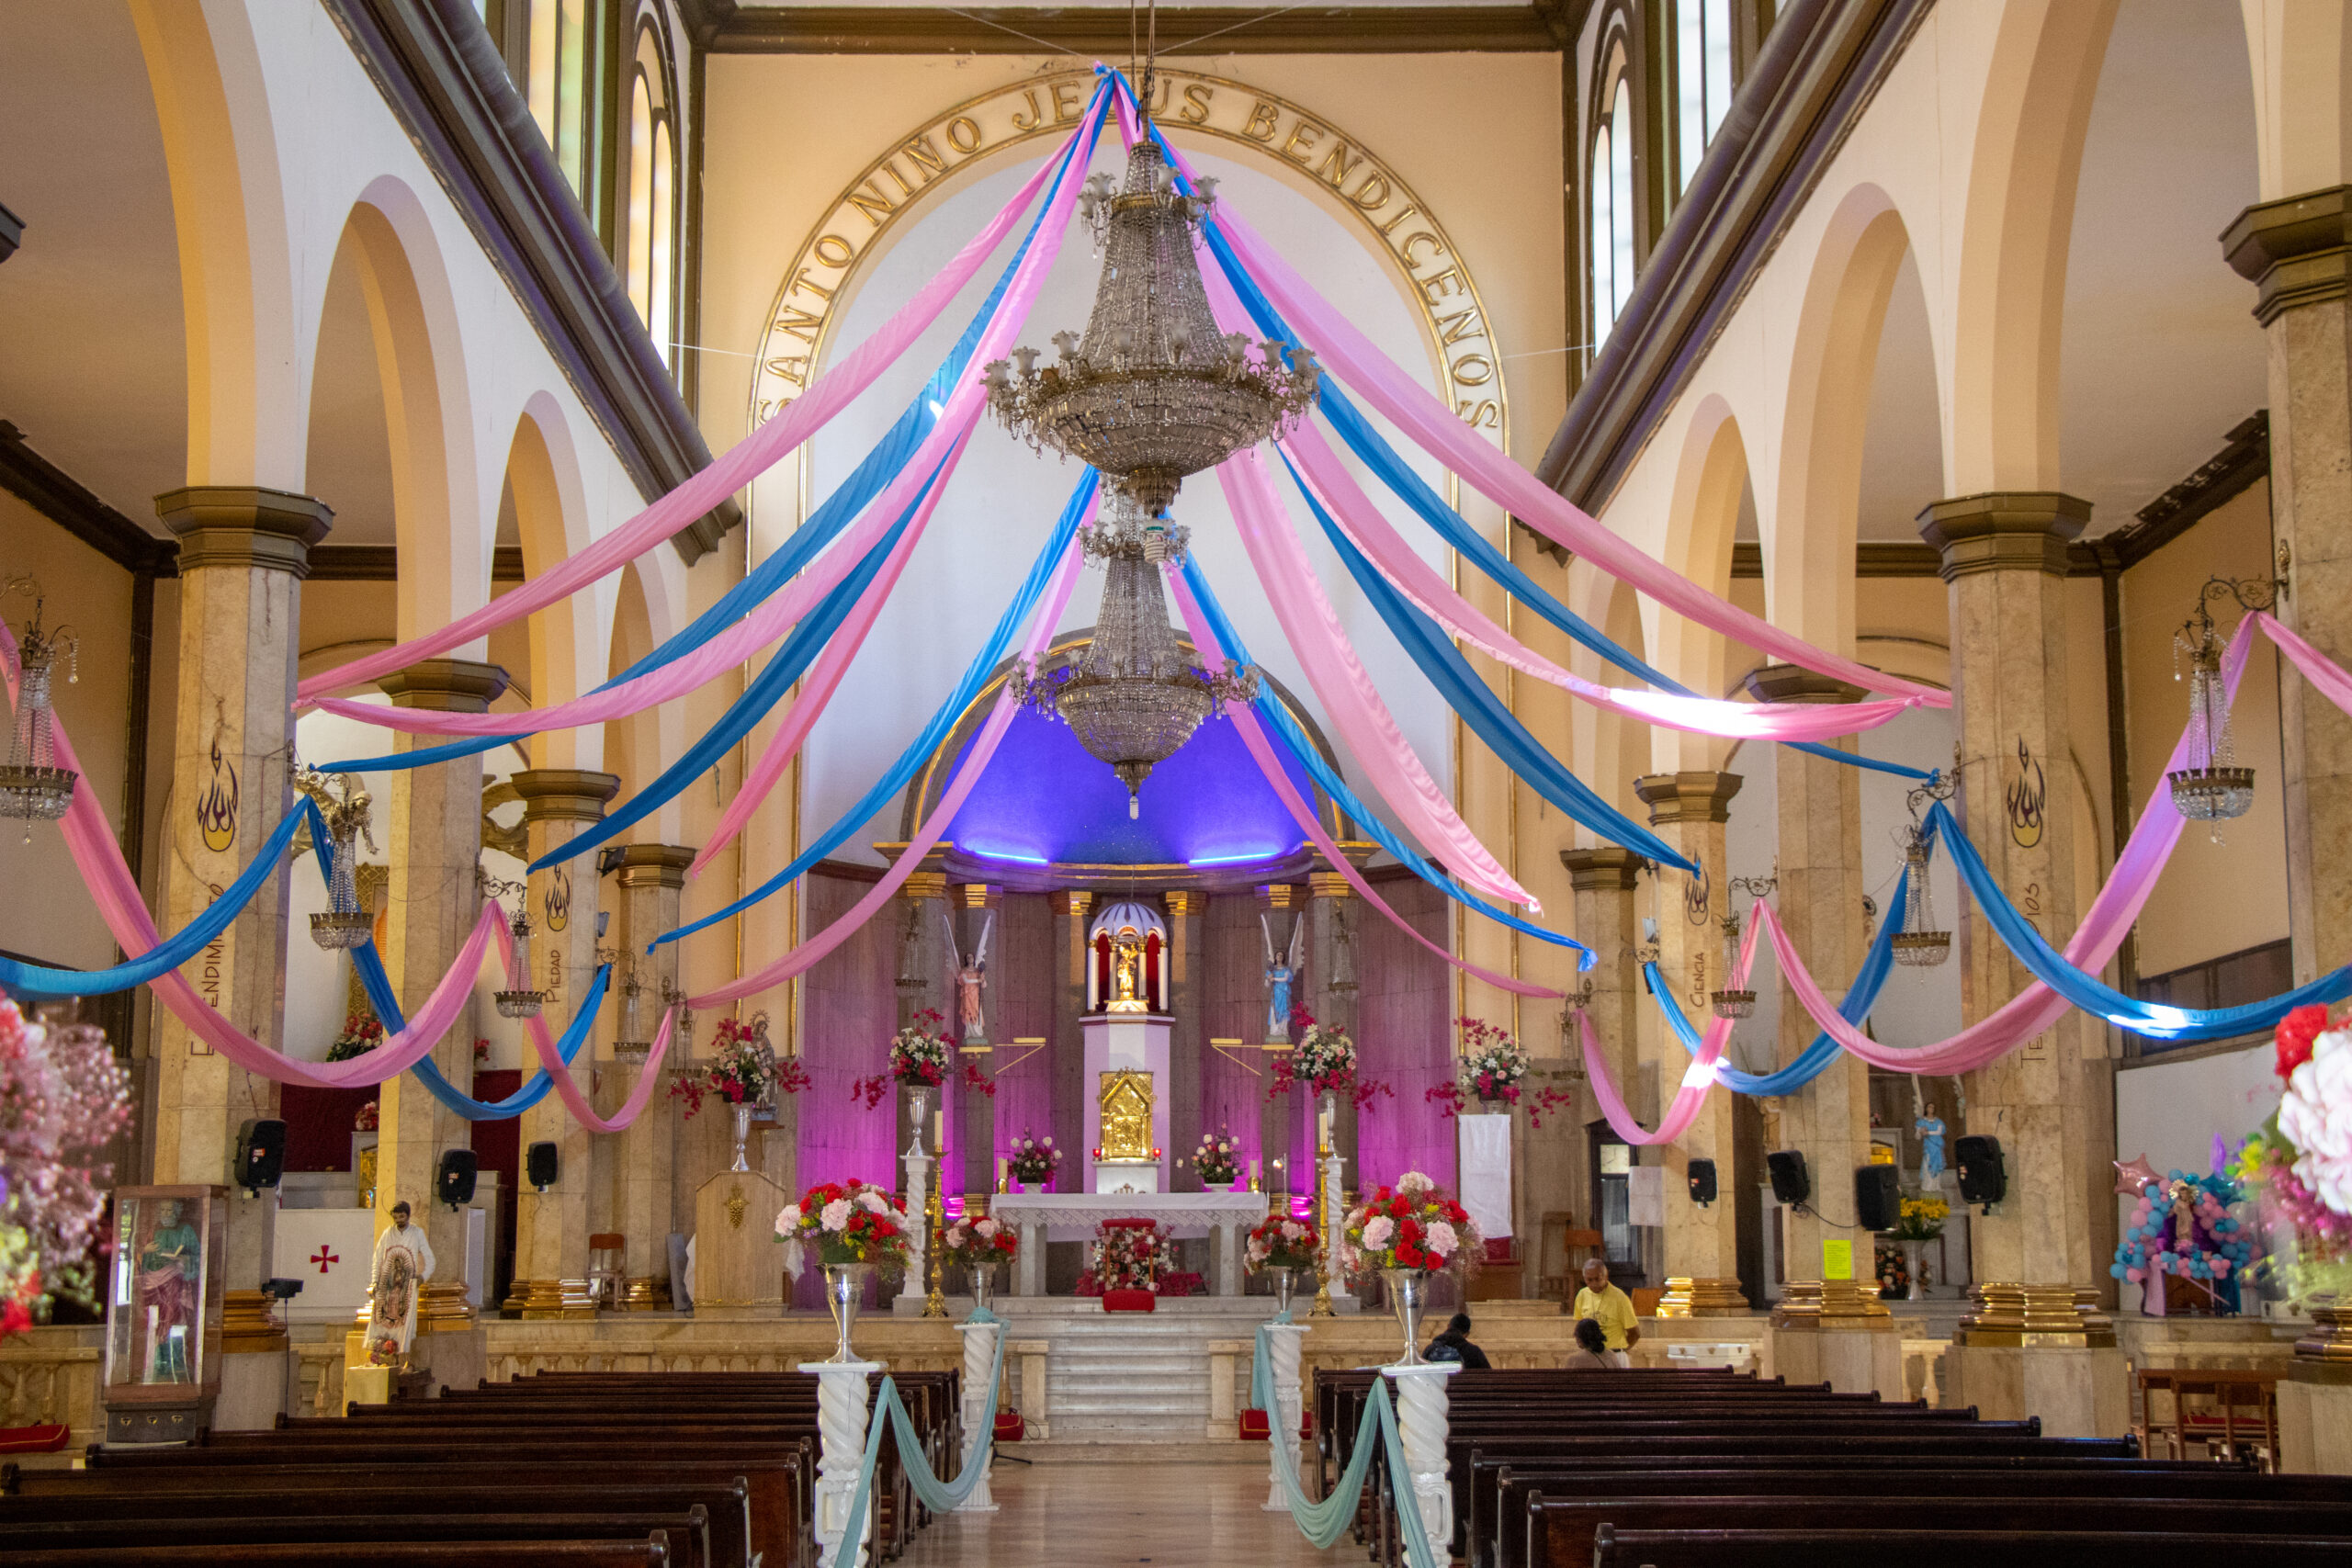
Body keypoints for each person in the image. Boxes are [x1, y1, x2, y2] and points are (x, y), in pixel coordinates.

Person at [365, 1201, 437, 1367]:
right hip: (387, 1285)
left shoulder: (416, 1233)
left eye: (402, 1216)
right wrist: (375, 1281)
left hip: (406, 1286)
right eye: (396, 1217)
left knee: (404, 1322)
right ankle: (382, 1358)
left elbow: (431, 1259)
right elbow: (377, 1259)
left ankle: (403, 1360)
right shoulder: (387, 1234)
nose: (399, 1220)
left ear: (408, 1215)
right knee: (383, 1318)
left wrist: (423, 1276)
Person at [1572, 1258, 1640, 1367]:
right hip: (1591, 1357)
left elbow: (1635, 1333)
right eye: (1589, 1280)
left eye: (1598, 1279)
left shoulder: (1620, 1297)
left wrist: (1621, 1350)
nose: (1594, 1284)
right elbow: (1580, 1326)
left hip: (1615, 1354)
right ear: (1584, 1279)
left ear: (1606, 1276)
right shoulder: (1582, 1295)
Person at [1424, 1312, 1491, 1369]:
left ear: (1448, 1326)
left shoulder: (1430, 1349)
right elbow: (1489, 1375)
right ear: (1467, 1334)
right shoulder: (1474, 1352)